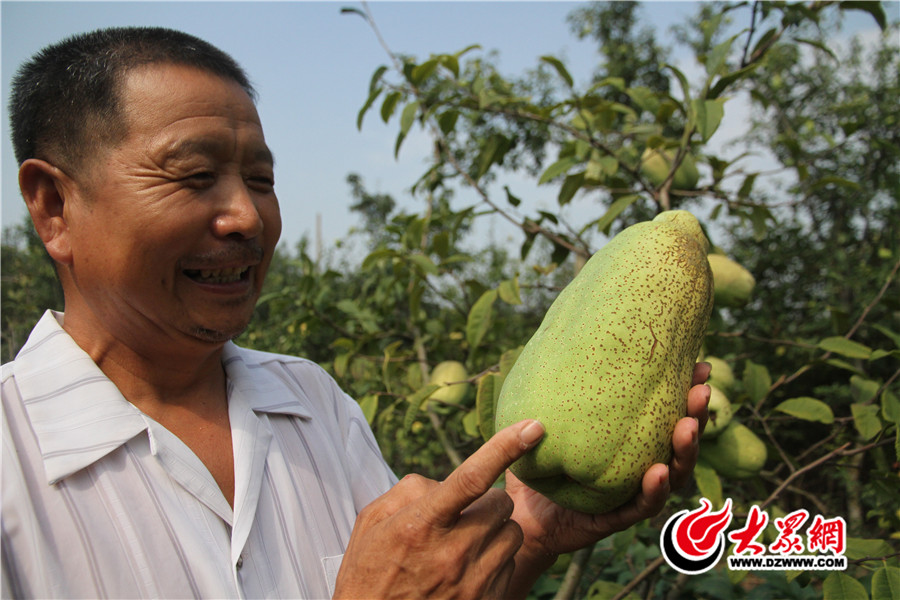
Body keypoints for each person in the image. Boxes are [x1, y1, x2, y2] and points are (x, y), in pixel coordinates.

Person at [1, 26, 710, 599]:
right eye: (193, 175)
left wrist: (530, 532)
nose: (247, 215)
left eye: (261, 180)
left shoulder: (315, 403)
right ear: (54, 206)